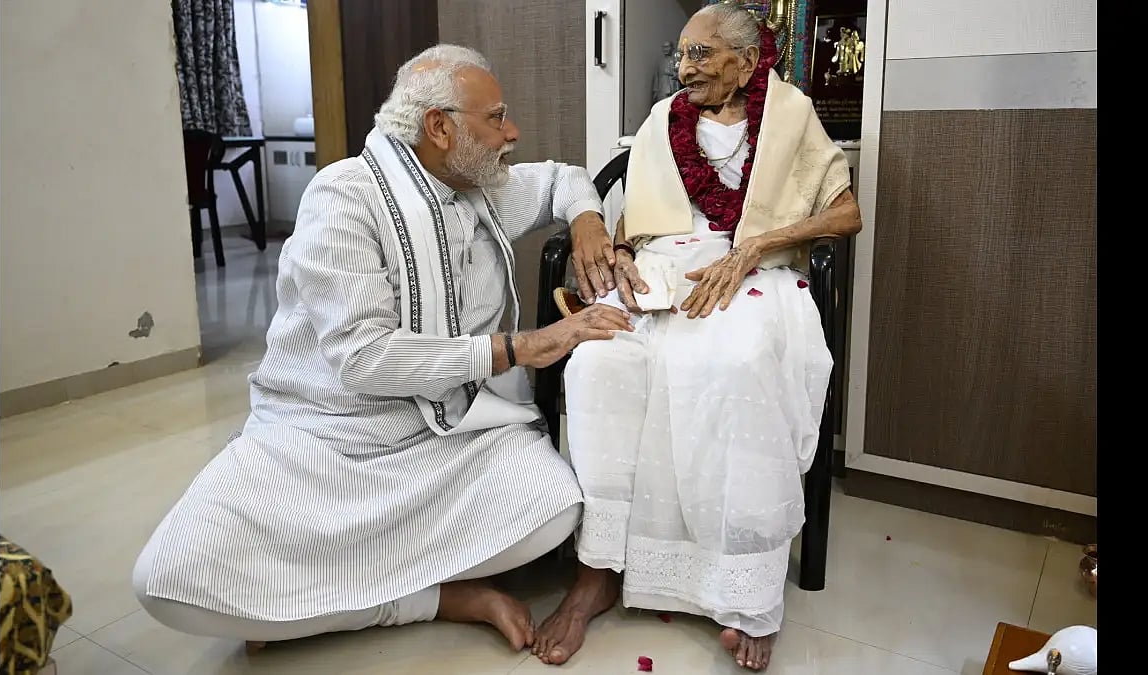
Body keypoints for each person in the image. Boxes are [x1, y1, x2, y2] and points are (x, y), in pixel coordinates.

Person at [131, 43, 632, 652]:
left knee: (555, 509)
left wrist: (586, 222)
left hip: (446, 434)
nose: (513, 132)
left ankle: (311, 601)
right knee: (166, 581)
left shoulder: (483, 187)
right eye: (496, 117)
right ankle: (436, 598)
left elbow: (563, 179)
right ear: (439, 128)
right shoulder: (343, 198)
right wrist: (519, 348)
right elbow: (365, 359)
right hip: (327, 439)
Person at [532, 2, 862, 671]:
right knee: (598, 362)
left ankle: (745, 590)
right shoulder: (663, 120)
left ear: (746, 60)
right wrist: (621, 254)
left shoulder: (791, 113)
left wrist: (754, 246)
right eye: (680, 55)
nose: (683, 68)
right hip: (664, 267)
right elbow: (634, 221)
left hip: (755, 269)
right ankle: (599, 568)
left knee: (736, 361)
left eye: (700, 54)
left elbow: (846, 213)